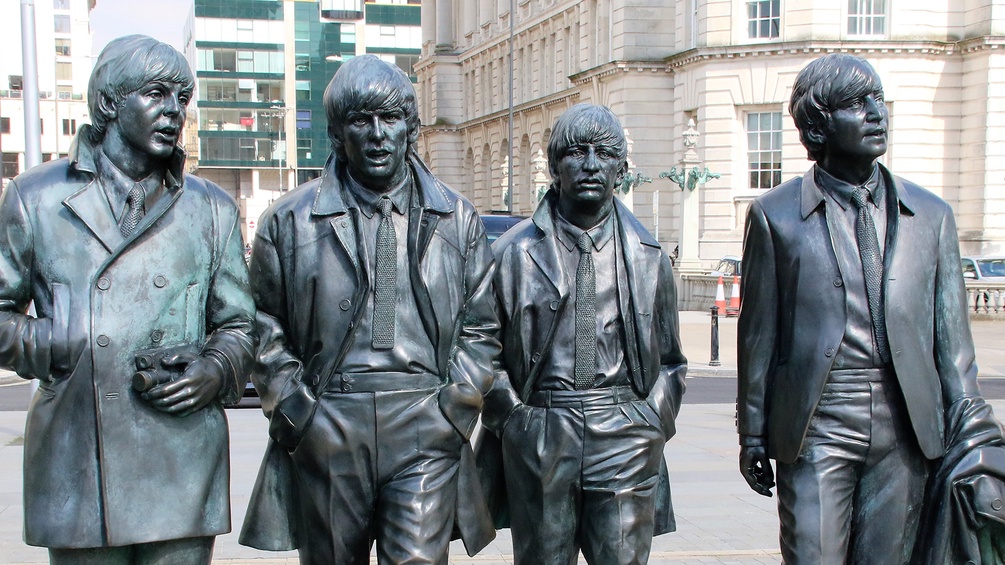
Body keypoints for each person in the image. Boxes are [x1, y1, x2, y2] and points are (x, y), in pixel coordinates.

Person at [737, 53, 1003, 564]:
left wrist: (975, 437)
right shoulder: (775, 216)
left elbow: (954, 348)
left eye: (878, 99)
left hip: (908, 424)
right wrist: (752, 432)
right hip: (819, 417)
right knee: (813, 554)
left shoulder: (932, 215)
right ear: (818, 123)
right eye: (856, 104)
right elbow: (758, 335)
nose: (876, 113)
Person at [0, 35, 257, 564]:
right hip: (80, 456)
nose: (173, 112)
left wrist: (215, 369)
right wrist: (53, 343)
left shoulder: (210, 209)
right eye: (156, 94)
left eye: (182, 99)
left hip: (180, 454)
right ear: (109, 103)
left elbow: (240, 325)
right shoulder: (36, 198)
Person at [239, 54, 500, 565]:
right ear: (338, 134)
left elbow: (482, 325)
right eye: (361, 121)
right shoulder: (288, 222)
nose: (378, 134)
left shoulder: (457, 219)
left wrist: (456, 406)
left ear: (412, 129)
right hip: (332, 418)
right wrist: (299, 412)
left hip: (425, 419)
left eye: (391, 118)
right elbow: (260, 326)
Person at [477, 103, 687, 564]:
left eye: (604, 153)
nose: (591, 164)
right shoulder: (511, 254)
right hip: (543, 429)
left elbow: (671, 359)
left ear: (622, 167)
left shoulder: (649, 256)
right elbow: (480, 353)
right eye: (576, 152)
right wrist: (514, 421)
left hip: (625, 431)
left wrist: (653, 421)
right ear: (554, 166)